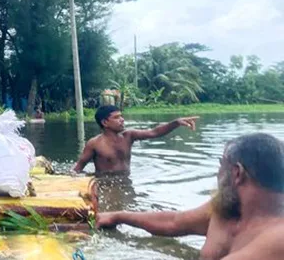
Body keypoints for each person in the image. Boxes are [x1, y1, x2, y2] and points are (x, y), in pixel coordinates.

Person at [96, 133, 284, 259]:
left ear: (237, 173)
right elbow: (174, 222)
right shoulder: (224, 209)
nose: (218, 172)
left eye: (221, 163)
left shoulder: (278, 238)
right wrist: (117, 216)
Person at [72, 105, 198, 175]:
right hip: (105, 182)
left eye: (121, 116)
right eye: (117, 117)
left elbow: (154, 132)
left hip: (127, 180)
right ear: (105, 122)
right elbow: (78, 168)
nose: (122, 119)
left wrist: (175, 123)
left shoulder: (129, 136)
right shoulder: (95, 143)